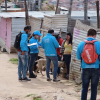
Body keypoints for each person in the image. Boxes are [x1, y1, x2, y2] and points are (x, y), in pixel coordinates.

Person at [77, 29, 100, 100]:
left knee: (84, 88)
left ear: (87, 35)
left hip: (85, 68)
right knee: (94, 88)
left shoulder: (81, 44)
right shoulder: (98, 44)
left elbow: (78, 57)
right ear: (95, 35)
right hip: (96, 69)